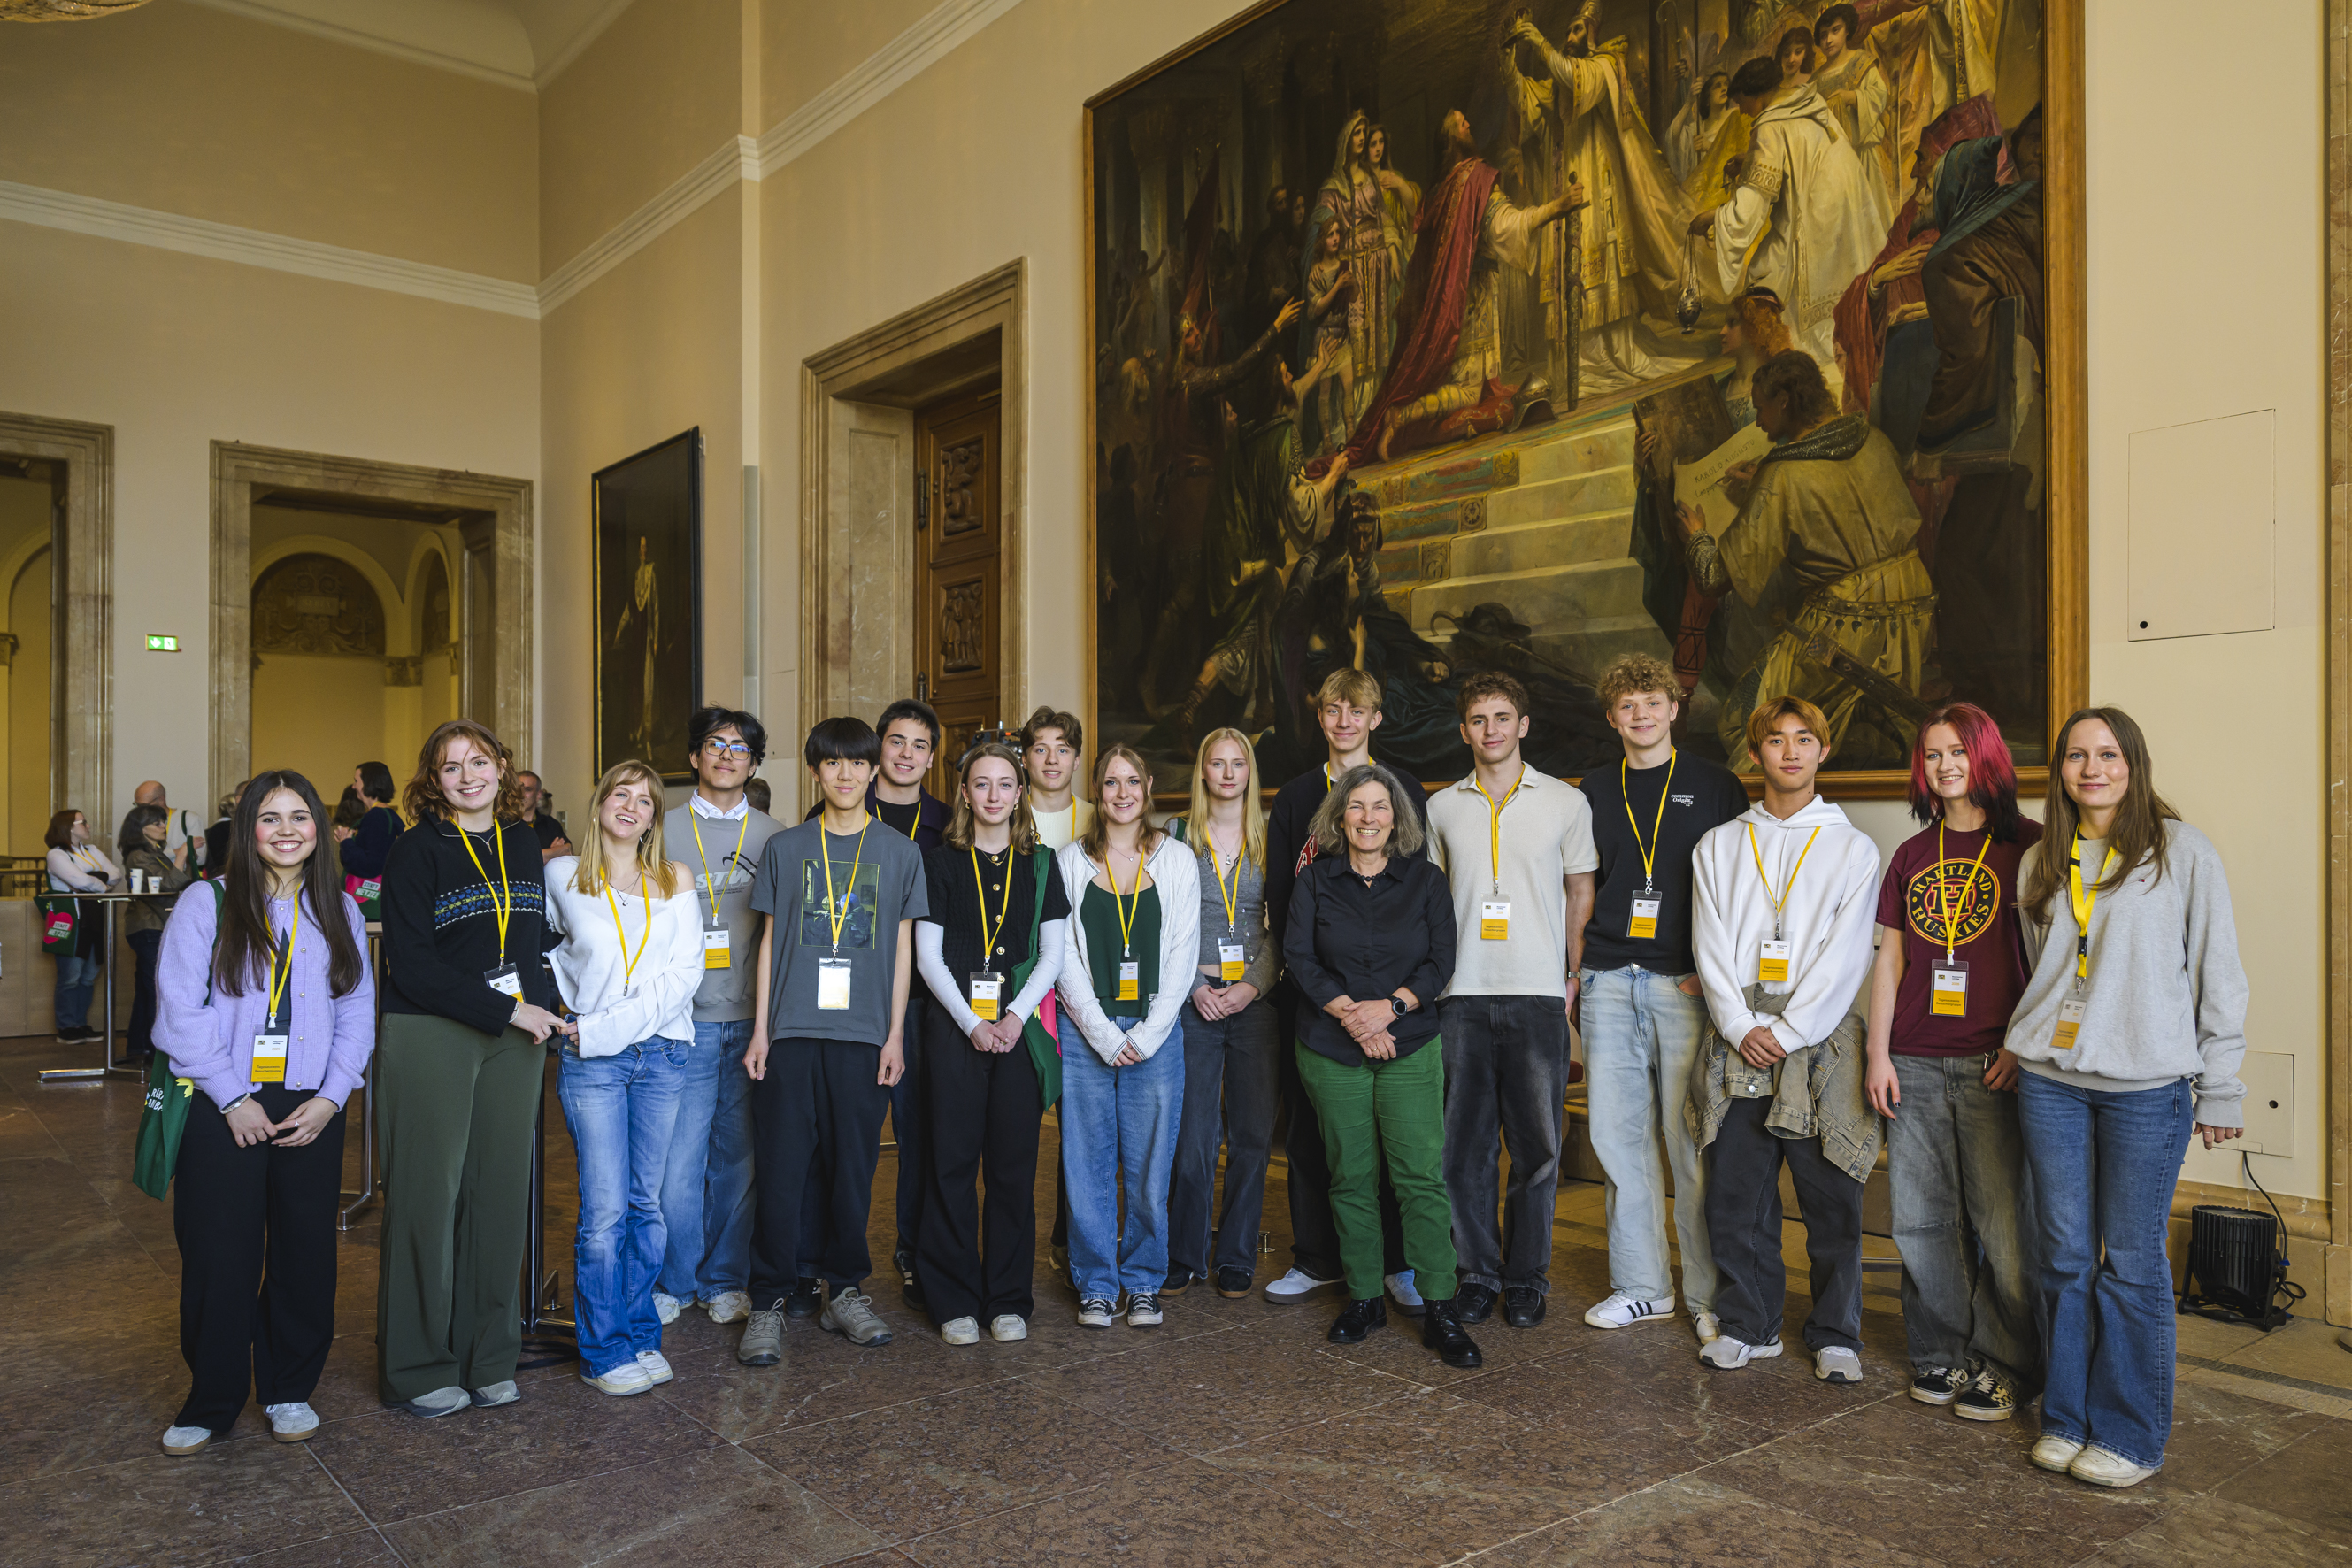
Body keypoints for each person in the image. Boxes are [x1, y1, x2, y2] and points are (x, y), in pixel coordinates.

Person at [2007, 707, 2247, 1488]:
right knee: (2065, 1257)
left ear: (2133, 764)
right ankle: (2068, 1417)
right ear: (2061, 772)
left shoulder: (2183, 854)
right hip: (2051, 1083)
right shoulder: (2043, 860)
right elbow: (2044, 970)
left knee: (2133, 1261)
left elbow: (2221, 978)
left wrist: (2223, 1089)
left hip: (2147, 1089)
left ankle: (2130, 1434)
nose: (2092, 769)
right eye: (2076, 756)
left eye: (2108, 754)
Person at [152, 772, 374, 1455]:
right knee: (222, 1251)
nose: (286, 830)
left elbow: (357, 1011)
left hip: (312, 1101)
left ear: (318, 829)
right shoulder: (207, 903)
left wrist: (333, 1096)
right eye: (270, 817)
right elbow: (179, 1014)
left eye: (300, 817)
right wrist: (232, 1096)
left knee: (305, 1252)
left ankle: (287, 1389)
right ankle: (212, 1399)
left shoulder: (337, 908)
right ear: (248, 828)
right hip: (224, 1103)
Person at [375, 720, 565, 1418]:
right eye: (450, 766)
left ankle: (488, 1354)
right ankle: (418, 1366)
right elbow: (413, 964)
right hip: (434, 1032)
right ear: (434, 779)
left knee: (499, 1197)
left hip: (518, 1033)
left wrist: (546, 1004)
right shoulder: (413, 850)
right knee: (428, 1199)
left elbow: (534, 937)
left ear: (502, 768)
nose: (467, 775)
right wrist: (510, 1010)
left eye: (478, 761)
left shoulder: (522, 842)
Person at [1689, 696, 1881, 1381]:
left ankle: (1836, 1333)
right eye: (1776, 740)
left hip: (1817, 1044)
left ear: (1823, 752)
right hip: (1739, 1040)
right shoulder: (1718, 844)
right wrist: (1741, 1026)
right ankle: (1751, 1323)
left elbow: (1848, 952)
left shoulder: (1853, 848)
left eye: (1805, 740)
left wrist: (1794, 1028)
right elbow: (1709, 944)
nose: (1791, 752)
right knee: (1737, 1196)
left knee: (1831, 1198)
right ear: (1757, 752)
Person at [1864, 702, 2044, 1420]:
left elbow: (2057, 961)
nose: (1944, 766)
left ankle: (2004, 1364)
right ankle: (1939, 1353)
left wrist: (2020, 1045)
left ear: (1986, 758)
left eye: (1957, 753)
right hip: (1913, 1058)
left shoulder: (2029, 846)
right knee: (1919, 1221)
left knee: (2004, 1228)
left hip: (1992, 1064)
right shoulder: (1912, 854)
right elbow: (1890, 962)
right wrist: (1879, 1054)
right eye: (1932, 754)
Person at [735, 717, 926, 1365]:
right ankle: (769, 1299)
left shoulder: (900, 851)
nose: (845, 774)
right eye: (831, 763)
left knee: (853, 1169)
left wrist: (895, 1036)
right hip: (789, 1033)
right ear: (815, 771)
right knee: (783, 1170)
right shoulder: (787, 849)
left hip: (864, 1037)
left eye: (856, 763)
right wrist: (761, 1029)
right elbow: (766, 945)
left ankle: (843, 1290)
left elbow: (902, 950)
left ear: (874, 771)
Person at [1575, 654, 1749, 1341]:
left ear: (1674, 708)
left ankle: (1708, 1294)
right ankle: (1644, 1287)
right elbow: (1577, 888)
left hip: (1685, 986)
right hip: (1609, 983)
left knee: (1692, 1148)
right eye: (1626, 705)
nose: (1640, 713)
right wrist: (1578, 972)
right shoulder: (1588, 789)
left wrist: (1715, 979)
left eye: (1652, 701)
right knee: (1620, 1145)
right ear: (1612, 717)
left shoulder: (1716, 786)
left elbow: (1739, 892)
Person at [1285, 763, 1480, 1369]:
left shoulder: (1424, 881)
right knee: (1350, 1177)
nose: (1368, 818)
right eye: (1357, 807)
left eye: (1380, 807)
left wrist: (1388, 1010)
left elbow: (1441, 960)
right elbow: (1298, 956)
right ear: (1340, 817)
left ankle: (1441, 1306)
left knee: (1420, 1179)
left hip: (1411, 1043)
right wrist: (1355, 1018)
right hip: (1330, 1044)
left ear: (1398, 818)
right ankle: (1364, 1297)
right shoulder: (1315, 881)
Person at [1424, 673, 1595, 1327]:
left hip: (1536, 995)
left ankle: (1526, 1277)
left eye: (1502, 717)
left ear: (1523, 725)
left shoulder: (1564, 803)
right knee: (1463, 1150)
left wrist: (1571, 976)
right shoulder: (1441, 808)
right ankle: (1476, 1272)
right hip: (1459, 996)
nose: (1491, 729)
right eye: (1478, 719)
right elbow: (1434, 904)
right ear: (1464, 730)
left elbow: (1581, 891)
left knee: (1538, 1148)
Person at [1677, 350, 1933, 767]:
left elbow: (1714, 576)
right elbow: (1843, 508)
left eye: (1761, 408)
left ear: (1784, 401)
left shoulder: (1783, 475)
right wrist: (1759, 487)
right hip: (1913, 606)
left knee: (1746, 717)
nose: (1758, 421)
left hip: (1848, 623)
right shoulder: (1874, 440)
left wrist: (1697, 536)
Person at [1262, 669, 1423, 1309]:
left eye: (1358, 711)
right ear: (1321, 717)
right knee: (1310, 1131)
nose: (1345, 721)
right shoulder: (1298, 795)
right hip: (1314, 995)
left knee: (1390, 1134)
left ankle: (1396, 1263)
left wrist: (1384, 1006)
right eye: (1333, 710)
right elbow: (1279, 893)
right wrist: (1326, 992)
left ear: (1376, 719)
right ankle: (1316, 1257)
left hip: (1390, 1001)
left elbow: (1418, 893)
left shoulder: (1405, 790)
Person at [543, 762, 703, 1397]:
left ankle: (640, 1331)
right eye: (621, 794)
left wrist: (603, 1024)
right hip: (594, 1066)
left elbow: (684, 976)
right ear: (600, 802)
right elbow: (544, 953)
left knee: (648, 1206)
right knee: (604, 1211)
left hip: (661, 1054)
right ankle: (603, 1348)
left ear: (653, 817)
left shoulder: (675, 879)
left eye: (645, 799)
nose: (631, 806)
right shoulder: (562, 877)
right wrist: (571, 1016)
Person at [913, 742, 1066, 1343]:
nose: (994, 795)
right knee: (950, 1166)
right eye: (982, 785)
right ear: (966, 794)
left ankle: (1007, 1298)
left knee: (1011, 1171)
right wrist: (972, 1022)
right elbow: (927, 955)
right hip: (954, 1032)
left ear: (1020, 794)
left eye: (1006, 784)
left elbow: (1052, 953)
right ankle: (951, 1298)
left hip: (1019, 1034)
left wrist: (1011, 1017)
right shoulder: (941, 861)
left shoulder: (1043, 863)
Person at [1344, 108, 1587, 465]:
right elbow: (1505, 226)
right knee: (1472, 394)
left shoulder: (1441, 190)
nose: (1469, 124)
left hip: (1451, 312)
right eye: (1461, 123)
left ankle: (1403, 415)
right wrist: (1557, 207)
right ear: (1452, 140)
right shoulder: (1474, 180)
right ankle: (1402, 416)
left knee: (1481, 392)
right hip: (1467, 313)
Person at [1053, 743, 1199, 1328]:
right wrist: (1103, 1034)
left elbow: (1185, 953)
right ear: (1098, 790)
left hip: (1155, 1038)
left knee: (1148, 1167)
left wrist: (1150, 1032)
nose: (1121, 793)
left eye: (1131, 782)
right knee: (1085, 1166)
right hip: (1086, 1035)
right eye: (1110, 783)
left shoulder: (1178, 860)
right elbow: (1061, 957)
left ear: (1149, 786)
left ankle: (1142, 1282)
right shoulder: (1070, 861)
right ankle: (1095, 1284)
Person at [653, 705, 780, 1330]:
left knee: (737, 1159)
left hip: (750, 1021)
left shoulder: (774, 836)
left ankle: (724, 1279)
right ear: (695, 756)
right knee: (679, 1162)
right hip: (681, 1022)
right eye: (714, 744)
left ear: (754, 763)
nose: (727, 755)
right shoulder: (661, 829)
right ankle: (674, 1278)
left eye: (740, 748)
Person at [1503, 6, 1700, 389]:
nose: (1571, 38)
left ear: (1593, 32)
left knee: (1600, 269)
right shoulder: (1559, 81)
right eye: (1568, 32)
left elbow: (1575, 77)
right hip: (1566, 190)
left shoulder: (1606, 66)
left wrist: (1536, 40)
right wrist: (1507, 55)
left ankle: (1611, 352)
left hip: (1598, 189)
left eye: (1578, 30)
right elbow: (1521, 92)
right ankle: (1578, 361)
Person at [1164, 728, 1280, 1299]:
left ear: (1249, 772)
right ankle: (1183, 1253)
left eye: (1239, 764)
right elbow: (1158, 926)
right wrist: (1193, 987)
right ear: (1203, 771)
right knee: (1194, 1139)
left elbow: (1282, 929)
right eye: (1218, 763)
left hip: (1254, 1007)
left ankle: (1236, 1254)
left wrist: (1253, 988)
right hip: (1195, 1002)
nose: (1229, 773)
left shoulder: (1270, 837)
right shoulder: (1176, 836)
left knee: (1253, 1137)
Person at [1690, 56, 1879, 376]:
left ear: (1757, 96)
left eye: (1742, 102)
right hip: (1843, 195)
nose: (1741, 110)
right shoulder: (1806, 102)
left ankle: (1799, 357)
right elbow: (1795, 150)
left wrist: (1712, 217)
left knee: (1766, 271)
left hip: (1817, 206)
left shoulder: (1768, 124)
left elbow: (1753, 201)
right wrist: (1748, 159)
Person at [1810, 6, 1897, 234]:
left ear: (1847, 30)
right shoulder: (1817, 78)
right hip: (1832, 159)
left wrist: (1852, 97)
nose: (1828, 40)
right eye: (1823, 35)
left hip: (1862, 153)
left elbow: (1879, 95)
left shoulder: (1861, 62)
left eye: (1835, 31)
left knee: (1868, 217)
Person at [120, 803, 195, 1061]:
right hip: (148, 926)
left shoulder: (154, 852)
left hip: (153, 925)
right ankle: (157, 1051)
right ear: (141, 829)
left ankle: (138, 1047)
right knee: (156, 989)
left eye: (163, 822)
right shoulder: (139, 855)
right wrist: (182, 856)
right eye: (157, 823)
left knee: (145, 989)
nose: (164, 827)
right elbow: (166, 886)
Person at [43, 807, 119, 1043]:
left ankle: (80, 1023)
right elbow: (79, 880)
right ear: (68, 827)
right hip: (71, 919)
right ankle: (66, 1026)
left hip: (96, 916)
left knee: (89, 975)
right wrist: (101, 882)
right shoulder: (56, 855)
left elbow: (116, 873)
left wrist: (95, 881)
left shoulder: (93, 850)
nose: (87, 826)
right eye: (82, 822)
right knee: (70, 976)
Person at [1020, 706, 1094, 850]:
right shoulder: (1008, 818)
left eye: (1062, 750)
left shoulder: (1097, 820)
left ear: (1076, 761)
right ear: (1025, 760)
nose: (1052, 760)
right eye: (1041, 750)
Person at [337, 762, 404, 904]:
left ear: (369, 783)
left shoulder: (376, 817)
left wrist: (346, 843)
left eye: (357, 781)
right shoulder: (387, 815)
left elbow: (371, 865)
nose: (354, 786)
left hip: (370, 903)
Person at [133, 779, 208, 875]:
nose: (139, 810)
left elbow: (200, 859)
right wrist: (178, 851)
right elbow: (143, 857)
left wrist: (170, 855)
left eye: (143, 805)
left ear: (161, 799)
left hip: (183, 885)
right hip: (152, 882)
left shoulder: (189, 819)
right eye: (137, 805)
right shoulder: (140, 822)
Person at [517, 771, 573, 864]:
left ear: (538, 795)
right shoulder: (504, 823)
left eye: (527, 789)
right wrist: (553, 853)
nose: (521, 795)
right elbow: (517, 861)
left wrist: (542, 856)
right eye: (518, 789)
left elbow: (568, 850)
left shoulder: (550, 824)